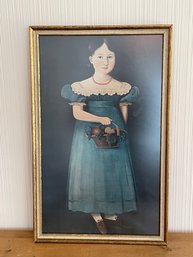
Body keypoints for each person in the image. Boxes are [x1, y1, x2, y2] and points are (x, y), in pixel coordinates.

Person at [61, 38, 139, 234]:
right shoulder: (80, 86)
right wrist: (100, 119)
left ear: (116, 58)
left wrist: (120, 131)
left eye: (110, 56)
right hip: (88, 134)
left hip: (115, 132)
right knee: (92, 171)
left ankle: (112, 216)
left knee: (113, 171)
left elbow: (123, 111)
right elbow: (78, 113)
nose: (105, 61)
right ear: (91, 59)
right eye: (100, 56)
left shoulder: (122, 86)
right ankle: (97, 216)